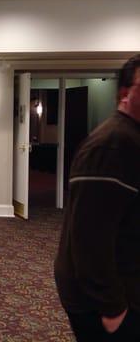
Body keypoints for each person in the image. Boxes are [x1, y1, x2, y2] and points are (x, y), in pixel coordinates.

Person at [54, 54, 140, 341]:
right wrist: (113, 310)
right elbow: (88, 238)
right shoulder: (113, 146)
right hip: (104, 303)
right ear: (125, 93)